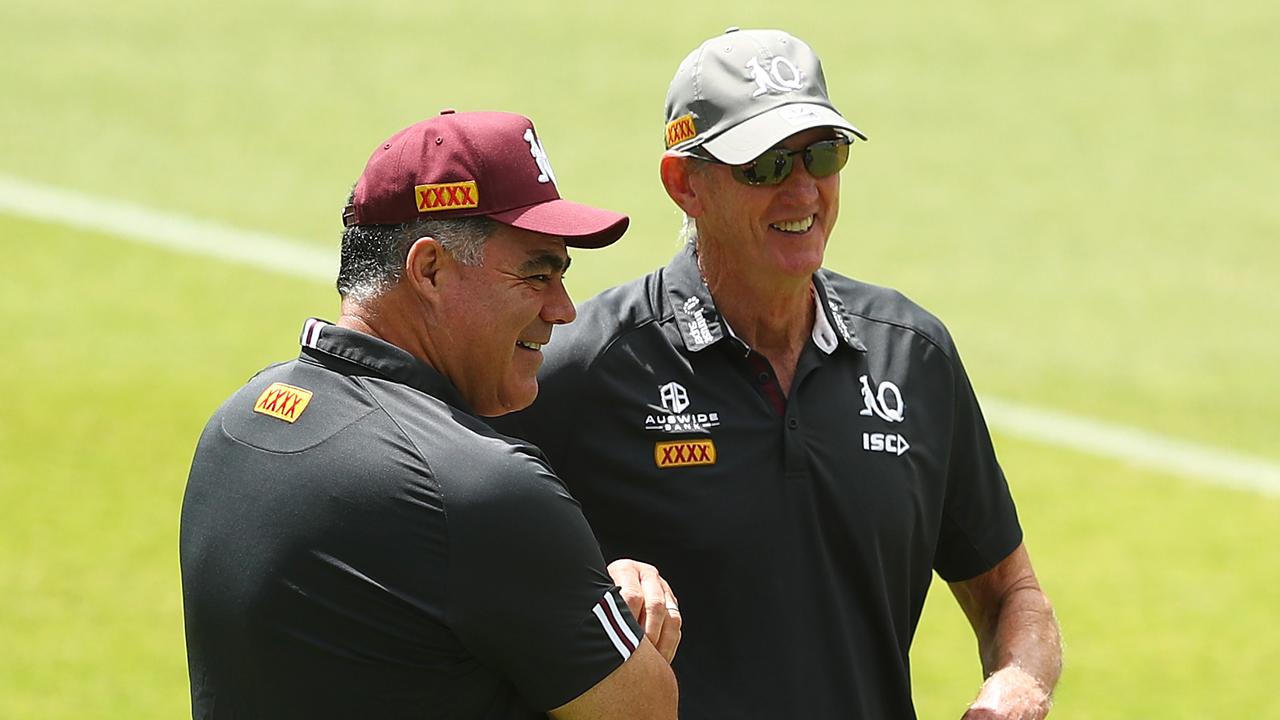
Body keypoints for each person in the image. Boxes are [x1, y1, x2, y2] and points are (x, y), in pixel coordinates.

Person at [490, 29, 1063, 719]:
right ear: (685, 184)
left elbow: (1011, 592)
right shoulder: (578, 369)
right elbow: (463, 593)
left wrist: (1018, 685)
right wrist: (599, 587)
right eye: (764, 166)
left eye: (823, 155)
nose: (802, 191)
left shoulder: (913, 357)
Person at [179, 110, 678, 719]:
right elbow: (641, 710)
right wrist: (619, 625)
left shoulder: (238, 425)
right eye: (537, 272)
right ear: (430, 270)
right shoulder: (480, 488)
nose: (564, 309)